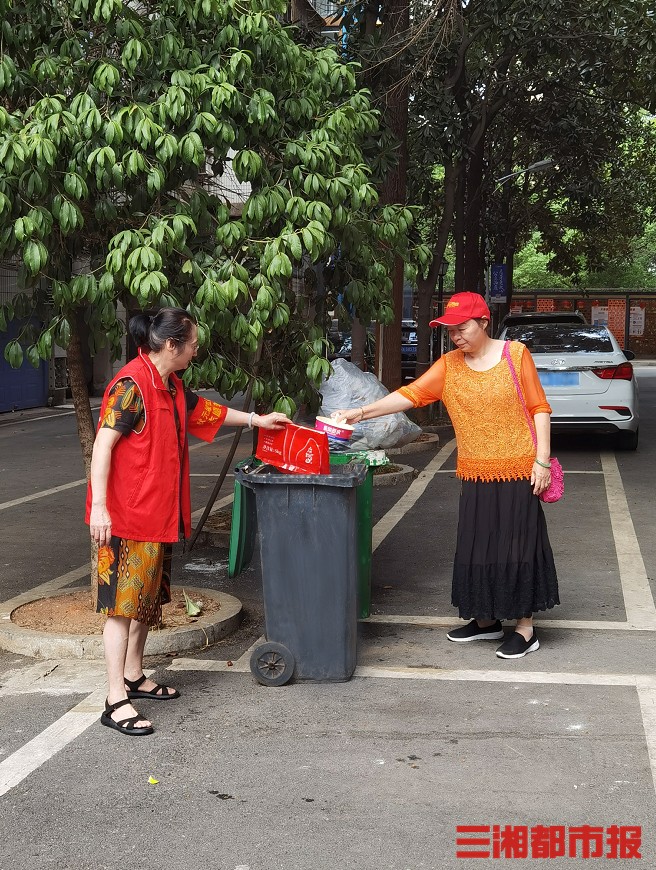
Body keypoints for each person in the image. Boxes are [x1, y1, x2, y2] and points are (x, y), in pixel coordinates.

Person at [87, 307, 290, 736]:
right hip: (126, 518)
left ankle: (133, 676)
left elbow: (207, 412)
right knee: (121, 610)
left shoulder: (171, 384)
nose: (197, 349)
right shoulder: (131, 386)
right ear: (172, 345)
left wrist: (258, 420)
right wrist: (99, 508)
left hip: (157, 517)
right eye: (193, 343)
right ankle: (113, 699)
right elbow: (103, 446)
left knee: (145, 603)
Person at [332, 291, 559, 659]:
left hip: (519, 469)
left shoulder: (516, 355)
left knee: (517, 546)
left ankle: (524, 627)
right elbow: (412, 394)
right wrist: (360, 414)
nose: (457, 336)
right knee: (478, 544)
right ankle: (485, 621)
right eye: (451, 330)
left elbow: (540, 408)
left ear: (484, 322)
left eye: (463, 327)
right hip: (475, 472)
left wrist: (543, 461)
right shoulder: (450, 364)